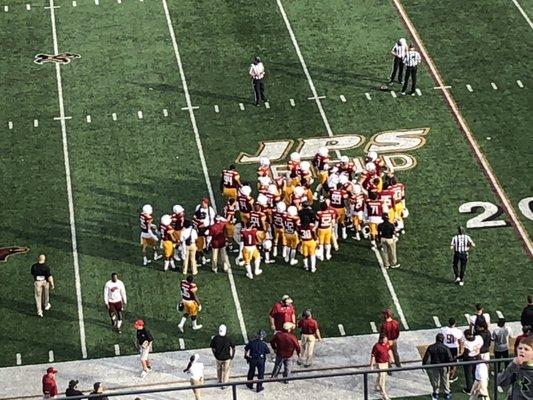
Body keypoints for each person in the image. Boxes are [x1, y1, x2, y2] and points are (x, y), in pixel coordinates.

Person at [497, 335, 533, 399]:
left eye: (526, 349)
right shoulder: (515, 367)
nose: (522, 351)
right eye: (520, 348)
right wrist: (511, 367)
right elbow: (500, 381)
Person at [422, 333, 453, 400]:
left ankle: (436, 393)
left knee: (435, 380)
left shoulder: (431, 347)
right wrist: (451, 367)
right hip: (444, 366)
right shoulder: (445, 348)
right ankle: (447, 393)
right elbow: (450, 358)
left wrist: (423, 364)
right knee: (445, 379)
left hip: (435, 365)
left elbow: (426, 357)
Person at [370, 334, 394, 400]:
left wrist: (391, 357)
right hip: (380, 364)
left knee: (382, 376)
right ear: (381, 339)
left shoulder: (387, 344)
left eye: (386, 339)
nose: (386, 340)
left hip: (386, 363)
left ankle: (376, 386)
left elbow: (389, 350)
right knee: (382, 378)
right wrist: (371, 365)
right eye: (384, 339)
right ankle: (383, 393)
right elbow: (373, 356)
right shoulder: (376, 346)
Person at [441, 317, 464, 382]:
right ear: (455, 323)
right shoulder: (458, 331)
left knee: (446, 361)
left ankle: (446, 375)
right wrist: (461, 349)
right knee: (454, 362)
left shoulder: (443, 329)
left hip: (446, 347)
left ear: (448, 322)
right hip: (454, 348)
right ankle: (451, 376)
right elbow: (460, 340)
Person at [461, 329, 483, 394]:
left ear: (468, 336)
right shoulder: (479, 338)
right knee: (476, 373)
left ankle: (470, 389)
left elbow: (465, 353)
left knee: (468, 374)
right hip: (477, 357)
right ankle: (477, 387)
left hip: (469, 358)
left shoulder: (466, 343)